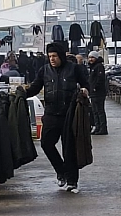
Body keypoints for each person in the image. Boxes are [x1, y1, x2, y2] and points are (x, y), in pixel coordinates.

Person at [26, 42, 90, 193]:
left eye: (54, 56)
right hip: (51, 114)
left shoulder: (74, 69)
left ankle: (72, 181)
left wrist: (85, 90)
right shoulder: (44, 70)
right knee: (46, 144)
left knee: (69, 149)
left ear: (61, 56)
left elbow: (86, 84)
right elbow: (35, 87)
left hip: (70, 114)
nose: (52, 59)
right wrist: (21, 94)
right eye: (49, 56)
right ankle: (61, 171)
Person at [88, 51, 108, 135]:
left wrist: (95, 87)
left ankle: (103, 128)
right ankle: (97, 127)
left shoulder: (99, 67)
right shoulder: (93, 67)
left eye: (92, 57)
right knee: (95, 111)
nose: (90, 59)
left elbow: (100, 79)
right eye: (89, 57)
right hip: (93, 93)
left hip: (98, 93)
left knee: (99, 111)